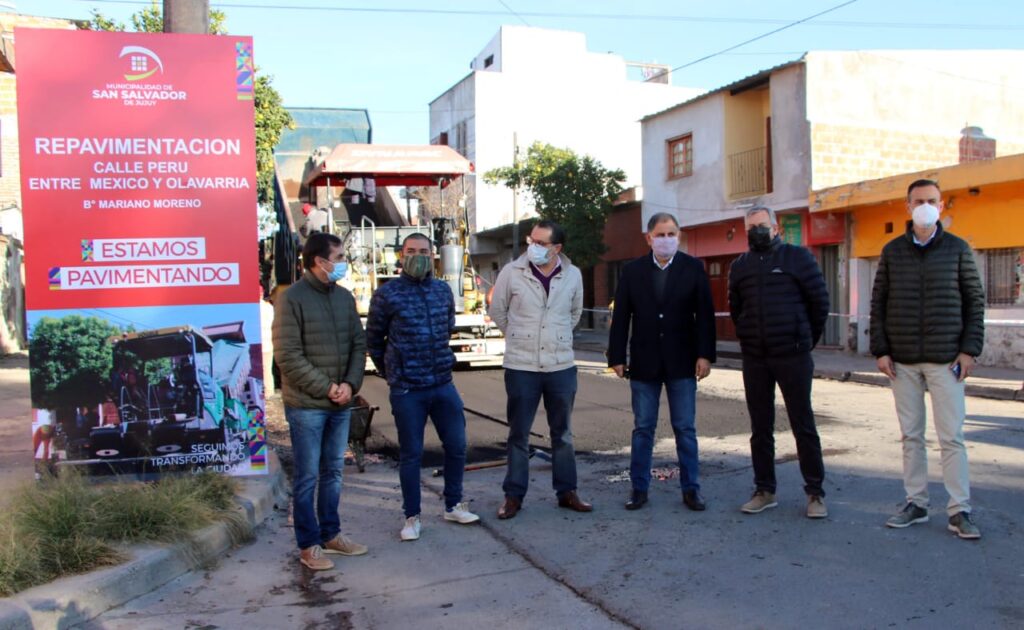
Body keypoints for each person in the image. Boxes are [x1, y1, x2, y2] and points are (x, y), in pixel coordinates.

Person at [870, 179, 985, 540]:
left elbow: (974, 302)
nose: (925, 206)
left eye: (931, 200)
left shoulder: (958, 249)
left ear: (942, 205)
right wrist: (881, 350)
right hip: (902, 362)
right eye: (918, 200)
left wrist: (969, 350)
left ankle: (959, 510)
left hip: (946, 360)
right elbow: (878, 303)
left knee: (951, 438)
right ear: (907, 206)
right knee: (911, 437)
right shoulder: (892, 251)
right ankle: (916, 503)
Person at [366, 233, 480, 542]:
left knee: (457, 445)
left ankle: (454, 503)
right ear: (401, 256)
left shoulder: (443, 291)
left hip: (442, 384)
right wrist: (393, 373)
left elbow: (447, 328)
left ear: (433, 256)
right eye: (412, 251)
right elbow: (374, 341)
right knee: (411, 454)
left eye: (424, 252)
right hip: (408, 389)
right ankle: (411, 516)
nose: (418, 256)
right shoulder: (387, 294)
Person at [608, 212, 716, 512]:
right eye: (661, 234)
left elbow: (705, 315)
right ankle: (639, 489)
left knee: (685, 428)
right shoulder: (633, 270)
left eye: (671, 234)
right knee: (643, 427)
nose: (666, 240)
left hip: (683, 361)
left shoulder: (693, 268)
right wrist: (616, 356)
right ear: (649, 237)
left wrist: (705, 355)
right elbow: (621, 317)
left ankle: (691, 489)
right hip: (644, 362)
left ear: (678, 236)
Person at [273, 232, 368, 571]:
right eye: (339, 257)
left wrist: (350, 384)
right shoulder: (291, 299)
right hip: (308, 405)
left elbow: (359, 344)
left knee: (334, 473)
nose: (343, 263)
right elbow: (288, 356)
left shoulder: (343, 298)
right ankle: (308, 544)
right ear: (319, 261)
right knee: (308, 476)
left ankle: (331, 534)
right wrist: (328, 388)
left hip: (340, 401)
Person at [728, 206, 831, 519]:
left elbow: (820, 303)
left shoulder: (798, 258)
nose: (756, 231)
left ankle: (815, 493)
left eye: (762, 225)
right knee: (761, 428)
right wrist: (748, 337)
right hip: (756, 358)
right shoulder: (740, 266)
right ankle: (764, 490)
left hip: (793, 356)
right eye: (751, 228)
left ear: (775, 228)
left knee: (803, 425)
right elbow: (736, 308)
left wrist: (803, 340)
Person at [489, 220, 591, 519]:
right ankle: (513, 496)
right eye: (531, 241)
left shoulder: (573, 275)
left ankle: (567, 491)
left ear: (557, 248)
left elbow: (575, 313)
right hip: (521, 366)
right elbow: (498, 310)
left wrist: (555, 337)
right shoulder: (512, 272)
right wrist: (520, 336)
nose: (532, 247)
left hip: (560, 366)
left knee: (563, 434)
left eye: (541, 243)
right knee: (518, 434)